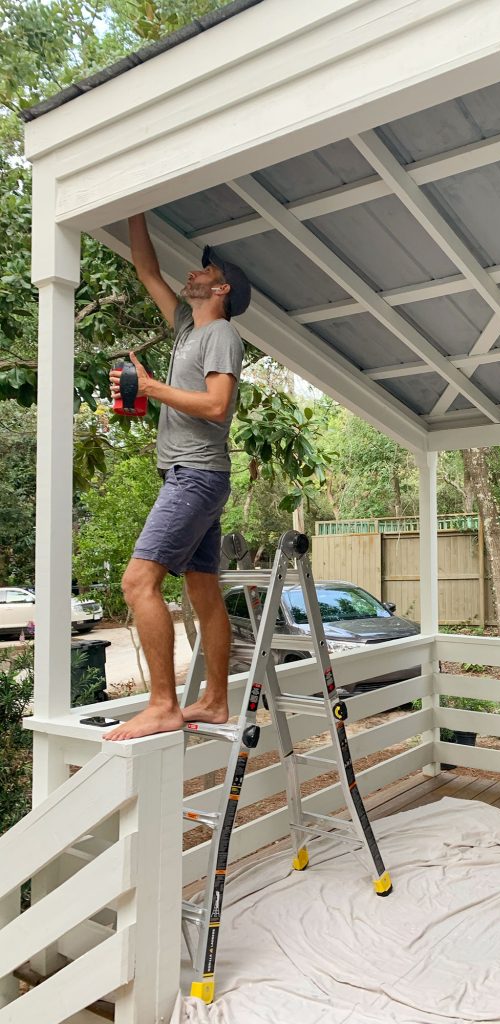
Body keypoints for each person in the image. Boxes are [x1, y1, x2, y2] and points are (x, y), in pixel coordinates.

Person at [104, 214, 250, 740]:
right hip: (193, 476)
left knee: (137, 582)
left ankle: (164, 703)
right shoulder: (188, 329)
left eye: (204, 268)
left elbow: (216, 405)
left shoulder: (222, 334)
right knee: (203, 590)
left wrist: (149, 386)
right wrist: (135, 210)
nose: (192, 271)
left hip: (195, 475)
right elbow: (146, 269)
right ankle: (213, 701)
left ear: (221, 287)